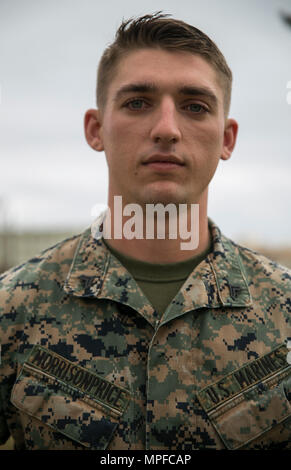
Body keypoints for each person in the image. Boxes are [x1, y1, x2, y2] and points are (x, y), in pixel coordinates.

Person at [0, 12, 291, 451]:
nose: (167, 129)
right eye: (137, 102)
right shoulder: (11, 311)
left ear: (227, 139)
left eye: (195, 106)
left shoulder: (285, 313)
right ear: (96, 129)